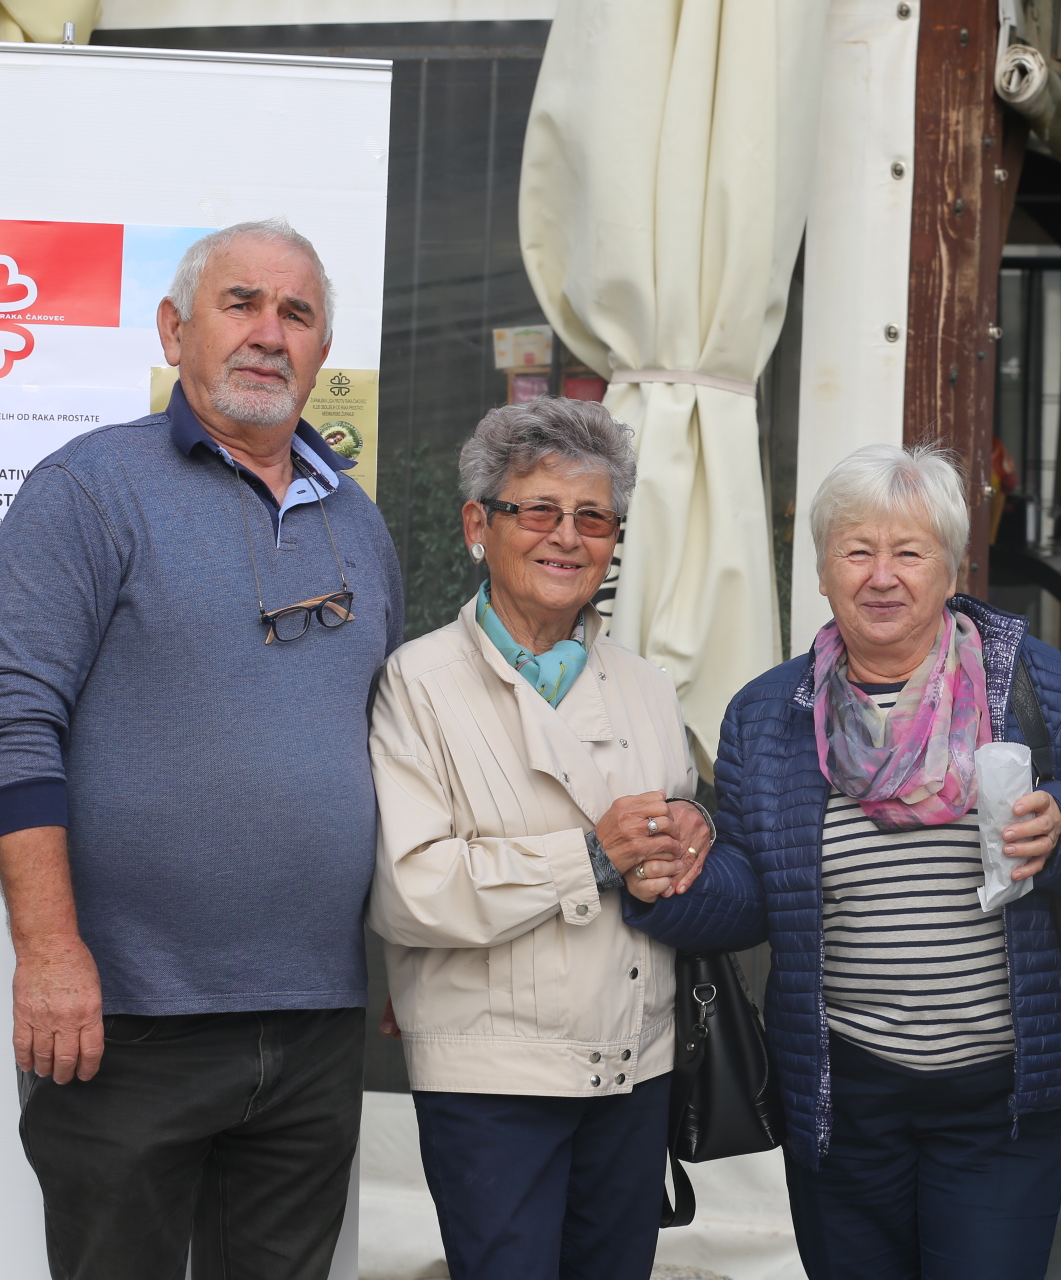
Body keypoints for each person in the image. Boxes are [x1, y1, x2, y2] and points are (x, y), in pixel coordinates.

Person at [0, 219, 404, 1279]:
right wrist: (51, 952)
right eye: (240, 303)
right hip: (127, 1016)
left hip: (314, 1019)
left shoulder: (362, 523)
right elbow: (13, 715)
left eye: (295, 313)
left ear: (320, 351)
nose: (268, 332)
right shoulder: (87, 490)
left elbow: (390, 743)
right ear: (174, 330)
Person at [625, 443, 1061, 1280]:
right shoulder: (768, 713)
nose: (882, 576)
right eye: (857, 551)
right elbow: (756, 896)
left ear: (949, 569)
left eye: (909, 552)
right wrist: (666, 882)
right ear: (824, 571)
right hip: (844, 1091)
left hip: (1004, 1094)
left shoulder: (1025, 684)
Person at [366, 397, 709, 1280]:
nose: (568, 537)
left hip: (636, 1065)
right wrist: (592, 855)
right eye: (539, 511)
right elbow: (412, 890)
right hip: (492, 1078)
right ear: (480, 524)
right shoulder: (417, 683)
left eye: (593, 516)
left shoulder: (645, 686)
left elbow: (672, 859)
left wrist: (696, 831)